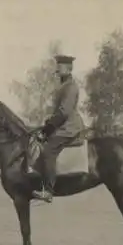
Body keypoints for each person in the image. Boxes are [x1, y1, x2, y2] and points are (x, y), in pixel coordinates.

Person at [32, 54, 85, 203]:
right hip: (63, 124)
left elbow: (64, 112)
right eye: (57, 65)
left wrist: (49, 127)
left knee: (48, 151)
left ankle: (48, 191)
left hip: (69, 127)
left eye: (60, 66)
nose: (57, 68)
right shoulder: (63, 86)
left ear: (69, 69)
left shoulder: (71, 87)